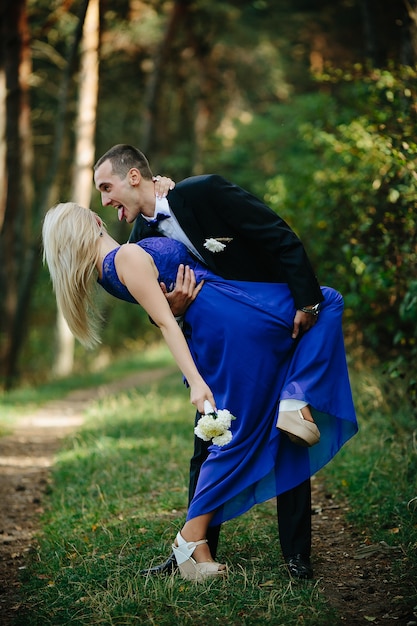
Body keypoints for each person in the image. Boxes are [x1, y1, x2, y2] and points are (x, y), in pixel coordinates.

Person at [42, 202, 357, 582]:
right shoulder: (123, 256)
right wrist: (196, 381)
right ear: (91, 222)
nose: (105, 202)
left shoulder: (110, 267)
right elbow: (164, 321)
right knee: (237, 435)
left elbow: (166, 307)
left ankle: (197, 543)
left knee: (236, 432)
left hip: (224, 319)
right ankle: (191, 540)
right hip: (228, 322)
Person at [92, 144, 337, 580]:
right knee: (208, 440)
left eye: (107, 187)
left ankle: (297, 555)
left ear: (134, 178)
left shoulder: (204, 193)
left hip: (269, 318)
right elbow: (159, 313)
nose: (105, 200)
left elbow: (277, 235)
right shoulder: (135, 244)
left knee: (290, 435)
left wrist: (304, 300)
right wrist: (175, 305)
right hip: (212, 347)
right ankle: (194, 549)